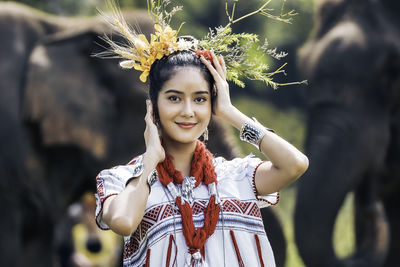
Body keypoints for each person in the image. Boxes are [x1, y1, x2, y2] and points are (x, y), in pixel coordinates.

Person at [94, 2, 308, 266]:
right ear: (153, 104)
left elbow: (295, 164)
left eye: (199, 99)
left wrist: (231, 113)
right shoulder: (123, 179)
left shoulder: (237, 177)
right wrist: (150, 159)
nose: (187, 111)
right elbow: (124, 222)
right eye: (174, 98)